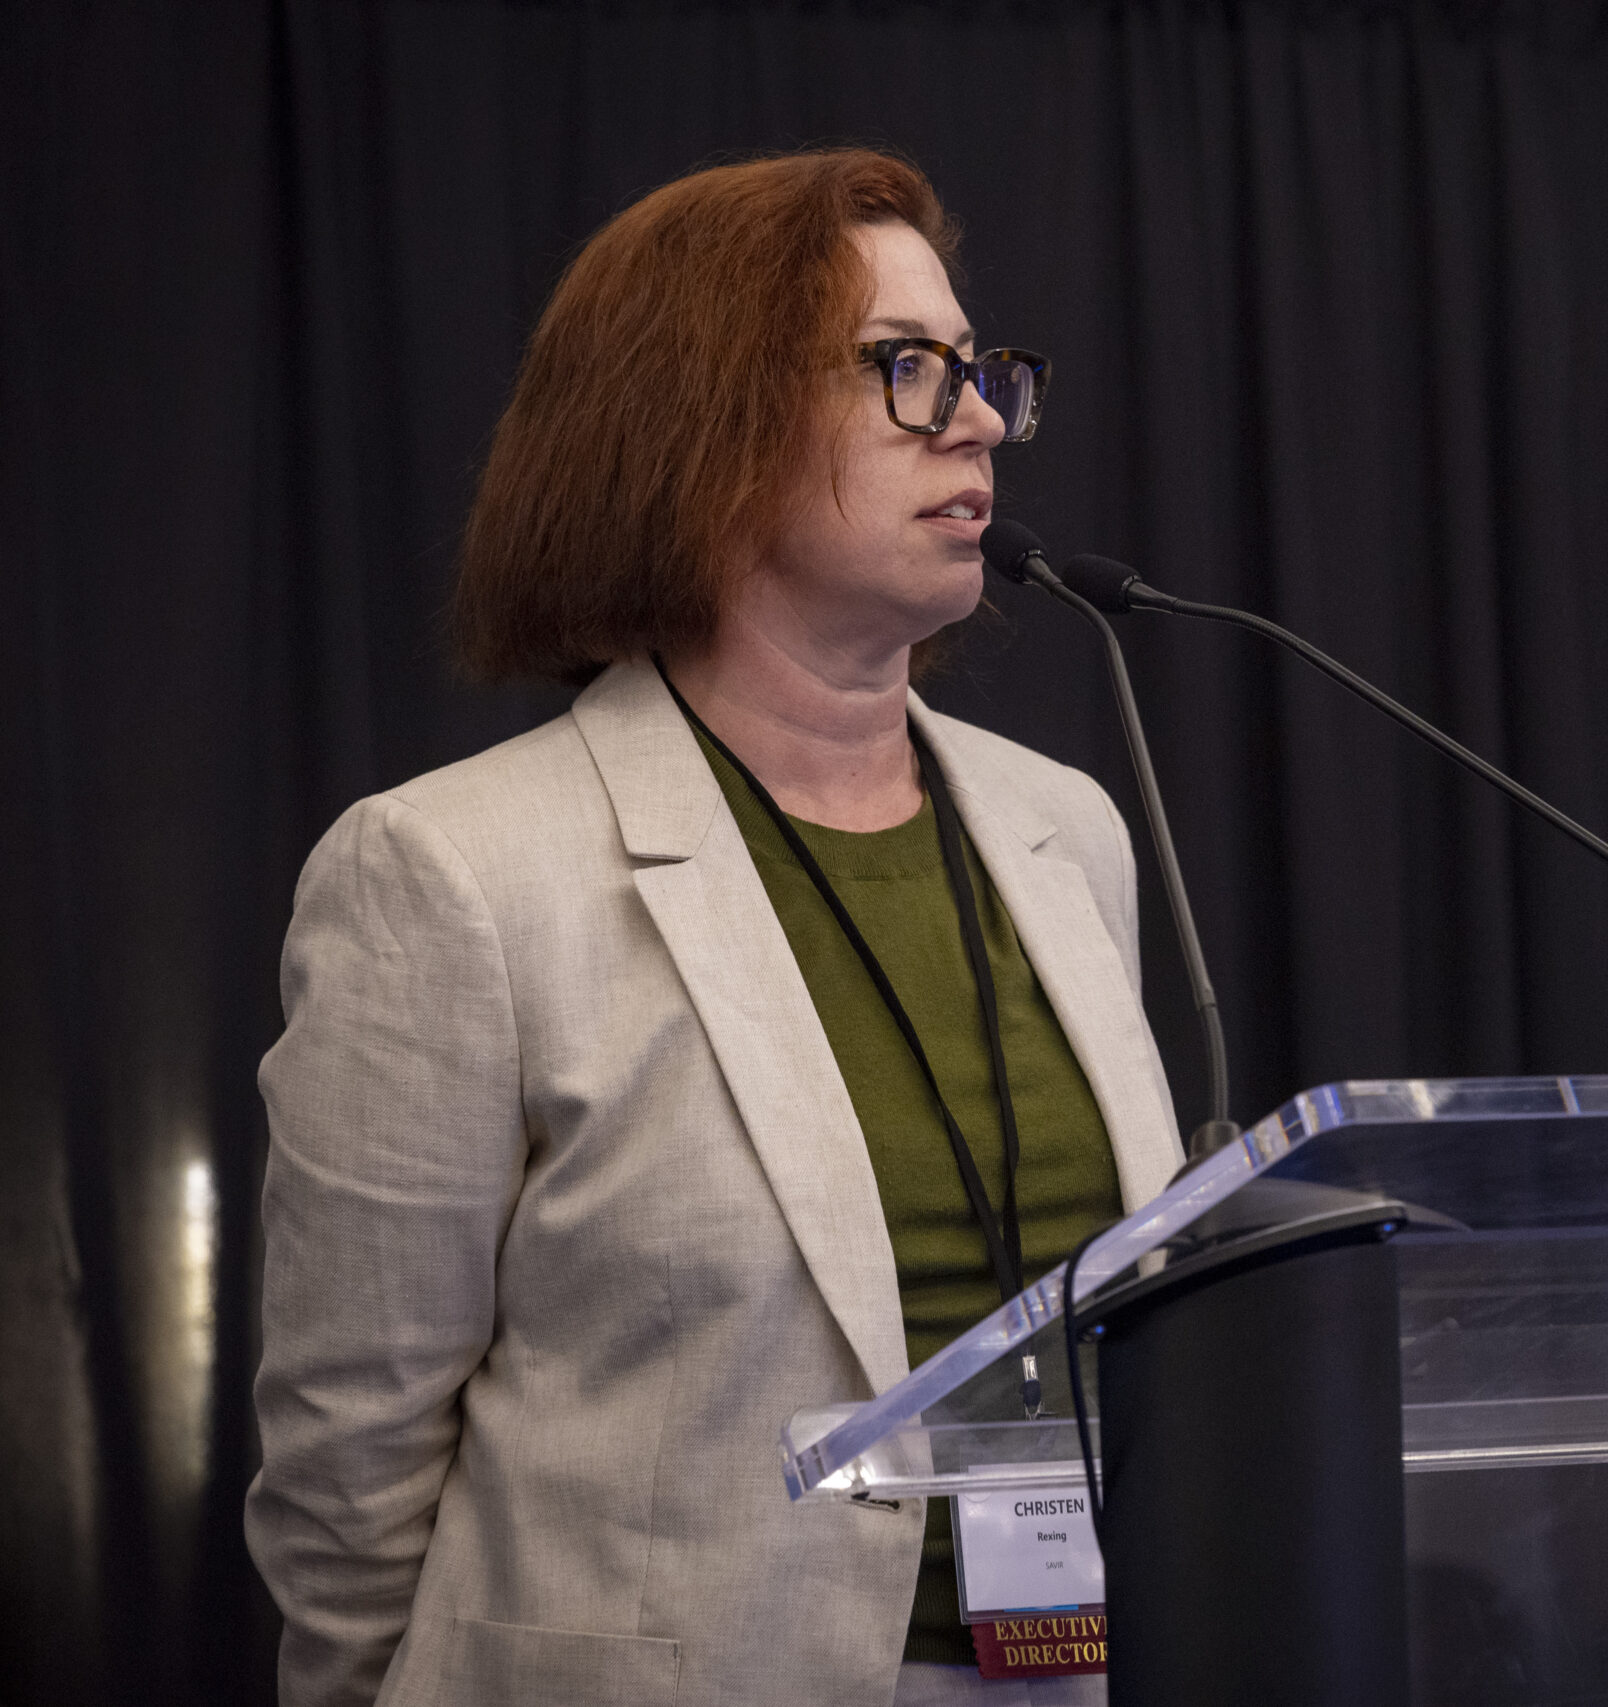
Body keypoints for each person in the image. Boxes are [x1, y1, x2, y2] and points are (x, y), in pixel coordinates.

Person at [244, 147, 1178, 1707]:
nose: (979, 418)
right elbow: (353, 1463)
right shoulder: (450, 873)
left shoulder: (1064, 827)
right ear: (704, 422)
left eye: (979, 371)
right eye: (904, 370)